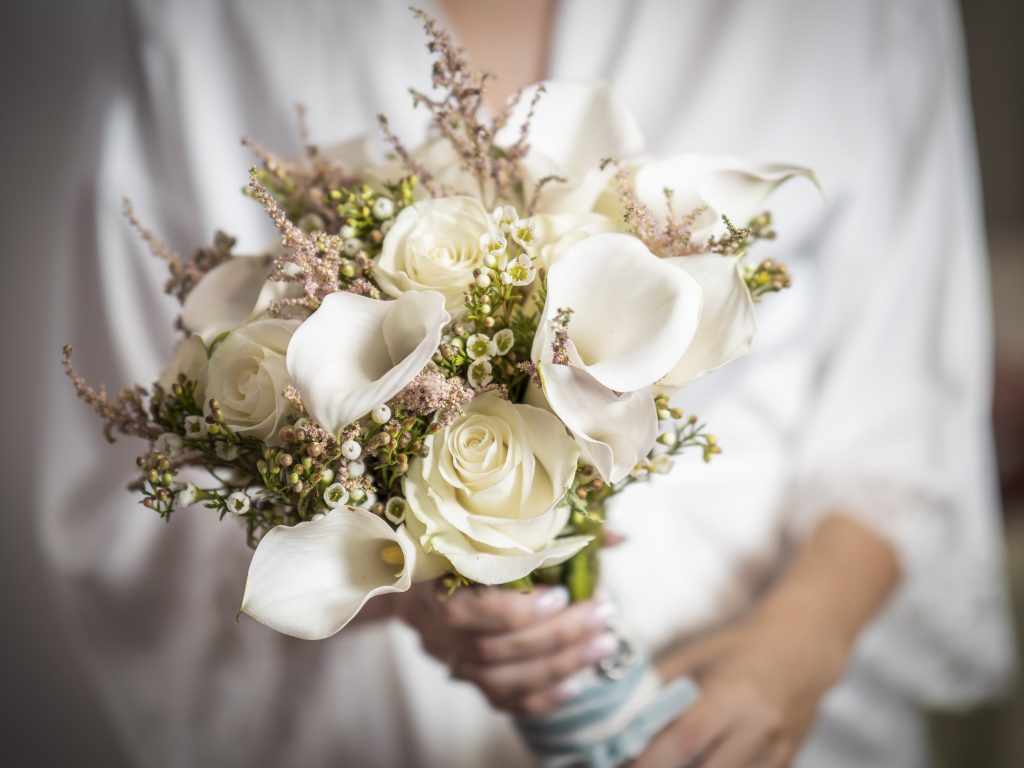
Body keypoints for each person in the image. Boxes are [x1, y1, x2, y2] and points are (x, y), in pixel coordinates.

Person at [41, 1, 1013, 766]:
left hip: (769, 713)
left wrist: (798, 653)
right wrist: (411, 589)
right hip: (364, 737)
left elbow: (905, 418)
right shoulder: (192, 23)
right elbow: (143, 472)